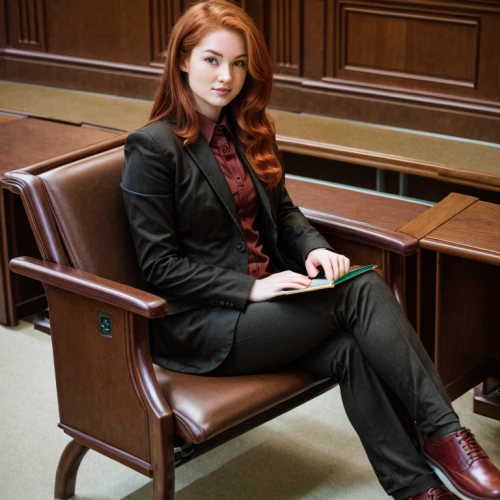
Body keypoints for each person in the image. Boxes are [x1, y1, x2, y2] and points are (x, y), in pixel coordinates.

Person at [121, 1, 500, 499]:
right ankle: (444, 432)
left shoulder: (252, 130)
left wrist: (314, 251)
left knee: (350, 349)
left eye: (238, 64)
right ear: (183, 61)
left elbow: (285, 216)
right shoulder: (152, 148)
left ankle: (417, 491)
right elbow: (159, 266)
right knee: (360, 289)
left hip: (270, 304)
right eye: (212, 60)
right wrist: (253, 288)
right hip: (206, 326)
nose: (225, 76)